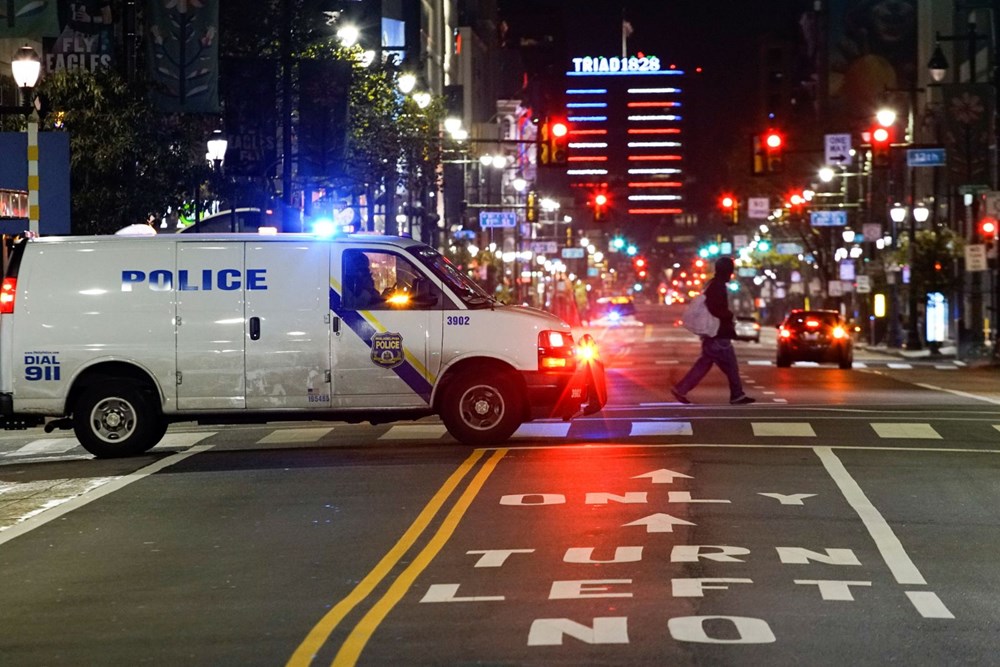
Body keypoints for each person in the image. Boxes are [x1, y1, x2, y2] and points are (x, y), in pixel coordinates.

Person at [672, 256, 755, 405]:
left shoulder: (712, 284)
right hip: (718, 334)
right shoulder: (718, 286)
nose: (731, 274)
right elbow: (716, 308)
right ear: (727, 271)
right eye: (730, 271)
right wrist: (728, 315)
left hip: (713, 334)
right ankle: (737, 395)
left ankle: (681, 389)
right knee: (731, 366)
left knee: (704, 364)